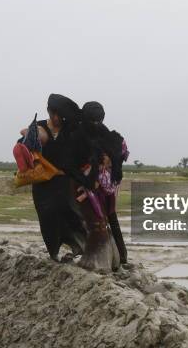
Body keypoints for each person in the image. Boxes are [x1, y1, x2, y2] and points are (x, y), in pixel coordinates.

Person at [21, 94, 87, 262]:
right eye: (53, 114)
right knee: (47, 216)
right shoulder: (39, 127)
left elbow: (81, 152)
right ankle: (54, 253)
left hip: (65, 182)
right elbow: (24, 144)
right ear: (49, 111)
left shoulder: (70, 129)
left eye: (60, 115)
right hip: (43, 184)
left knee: (70, 213)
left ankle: (79, 247)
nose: (57, 118)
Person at [71, 101, 129, 269]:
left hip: (105, 185)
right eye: (93, 121)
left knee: (110, 217)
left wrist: (106, 166)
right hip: (89, 185)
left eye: (99, 121)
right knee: (98, 221)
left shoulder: (104, 133)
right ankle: (111, 257)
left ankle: (120, 257)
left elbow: (116, 155)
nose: (96, 124)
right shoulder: (78, 136)